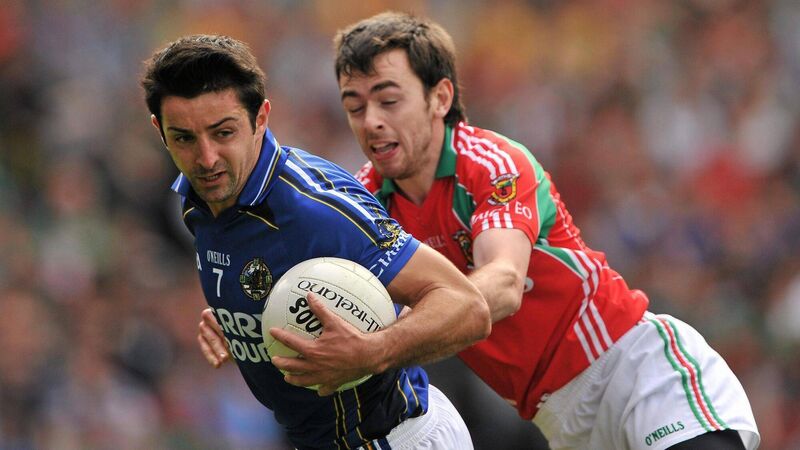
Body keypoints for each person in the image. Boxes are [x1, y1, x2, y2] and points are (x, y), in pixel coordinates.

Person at [198, 12, 761, 450]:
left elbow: (502, 286)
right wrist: (249, 319)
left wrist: (380, 346)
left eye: (389, 100)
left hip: (636, 372)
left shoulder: (489, 164)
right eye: (355, 106)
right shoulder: (359, 202)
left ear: (440, 97)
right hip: (561, 421)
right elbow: (320, 288)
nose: (371, 122)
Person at [142, 34, 491, 450]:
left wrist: (374, 350)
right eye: (184, 138)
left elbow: (467, 306)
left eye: (223, 132)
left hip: (393, 437)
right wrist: (243, 322)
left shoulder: (315, 212)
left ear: (260, 118)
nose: (206, 158)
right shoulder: (196, 200)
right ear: (160, 131)